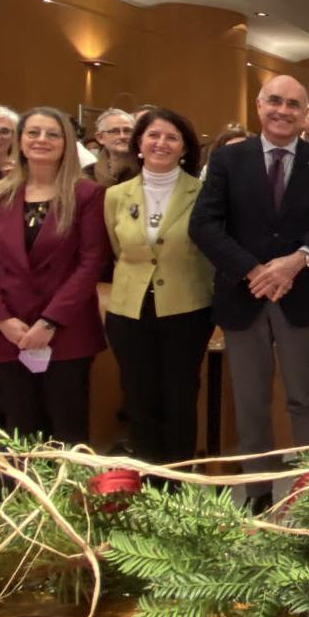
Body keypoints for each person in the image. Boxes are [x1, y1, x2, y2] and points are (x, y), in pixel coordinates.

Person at [189, 76, 309, 503]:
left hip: (298, 292)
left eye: (294, 104)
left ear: (304, 113)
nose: (283, 110)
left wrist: (298, 260)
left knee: (305, 397)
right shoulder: (228, 160)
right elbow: (203, 225)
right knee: (251, 400)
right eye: (275, 101)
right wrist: (253, 270)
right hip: (244, 295)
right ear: (259, 106)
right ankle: (256, 492)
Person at [0, 108, 108, 445]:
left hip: (66, 331)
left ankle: (69, 499)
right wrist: (2, 319)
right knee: (20, 432)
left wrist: (49, 322)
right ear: (20, 141)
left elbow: (90, 263)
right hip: (9, 332)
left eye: (52, 134)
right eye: (33, 133)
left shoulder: (87, 194)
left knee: (68, 432)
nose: (41, 140)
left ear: (66, 143)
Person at [103, 109, 215, 466]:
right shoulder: (116, 195)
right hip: (129, 311)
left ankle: (179, 482)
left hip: (186, 310)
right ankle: (148, 483)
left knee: (180, 398)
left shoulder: (203, 194)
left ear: (184, 148)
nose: (161, 144)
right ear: (139, 143)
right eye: (153, 136)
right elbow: (117, 249)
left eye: (171, 138)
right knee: (138, 398)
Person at [89, 109, 137, 187]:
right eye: (114, 131)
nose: (122, 136)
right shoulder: (88, 174)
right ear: (100, 138)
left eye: (127, 130)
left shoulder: (147, 168)